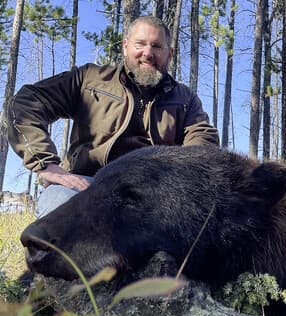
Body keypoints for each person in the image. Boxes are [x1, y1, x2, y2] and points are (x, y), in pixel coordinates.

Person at [5, 16, 219, 217]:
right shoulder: (89, 80)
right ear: (126, 46)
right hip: (87, 185)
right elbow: (25, 104)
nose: (147, 53)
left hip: (155, 195)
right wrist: (46, 164)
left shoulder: (185, 99)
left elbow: (201, 146)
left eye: (156, 46)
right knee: (59, 204)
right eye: (140, 44)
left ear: (169, 54)